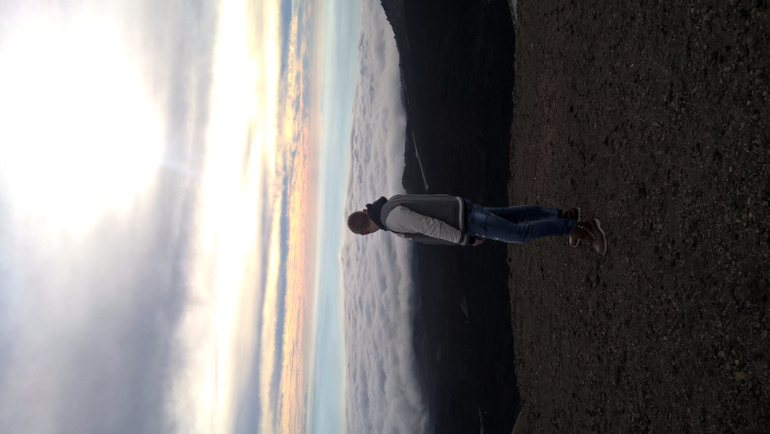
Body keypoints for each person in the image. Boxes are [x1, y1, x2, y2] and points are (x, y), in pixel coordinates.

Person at [346, 193, 607, 254]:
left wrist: (466, 239)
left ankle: (583, 228)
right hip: (463, 208)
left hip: (465, 222)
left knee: (520, 234)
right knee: (514, 216)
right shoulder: (389, 204)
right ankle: (563, 216)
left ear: (365, 233)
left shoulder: (391, 219)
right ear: (365, 211)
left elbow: (430, 226)